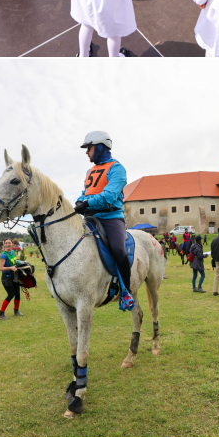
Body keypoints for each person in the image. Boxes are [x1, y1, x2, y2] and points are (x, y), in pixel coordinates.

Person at [69, 131, 135, 309]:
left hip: (111, 218)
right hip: (90, 217)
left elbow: (110, 195)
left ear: (99, 147)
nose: (86, 152)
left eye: (89, 148)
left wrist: (86, 203)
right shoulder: (90, 171)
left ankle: (126, 291)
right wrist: (80, 200)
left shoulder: (117, 168)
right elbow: (86, 192)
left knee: (118, 250)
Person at [0, 238, 24, 319]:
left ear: (12, 244)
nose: (8, 244)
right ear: (4, 244)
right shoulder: (3, 255)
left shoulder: (12, 252)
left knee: (17, 294)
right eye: (6, 243)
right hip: (6, 278)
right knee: (11, 295)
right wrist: (11, 268)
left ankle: (16, 311)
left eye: (9, 243)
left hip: (14, 276)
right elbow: (0, 268)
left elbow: (14, 262)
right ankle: (0, 314)